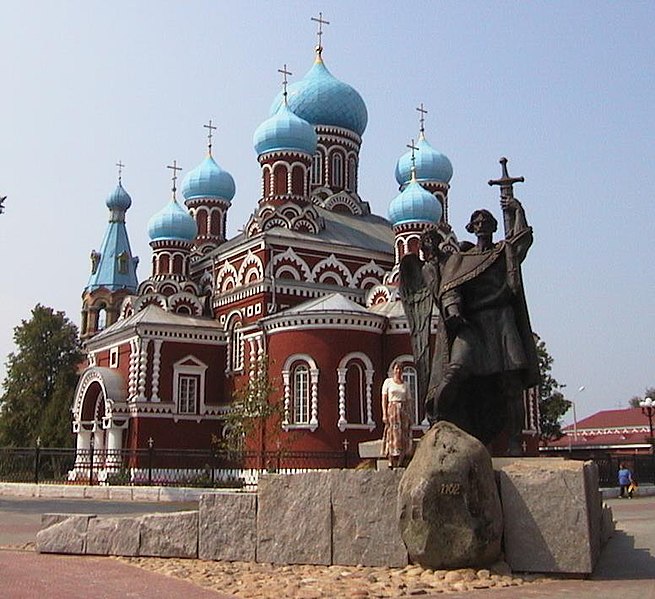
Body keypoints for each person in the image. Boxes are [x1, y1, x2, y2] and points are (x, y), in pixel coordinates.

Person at [400, 197, 539, 454]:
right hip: (471, 325)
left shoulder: (502, 251)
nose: (481, 225)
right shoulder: (461, 258)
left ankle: (514, 440)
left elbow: (521, 243)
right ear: (471, 228)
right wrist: (452, 311)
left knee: (510, 384)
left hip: (501, 322)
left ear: (493, 226)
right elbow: (449, 288)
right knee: (454, 372)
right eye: (476, 222)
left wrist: (518, 210)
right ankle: (439, 420)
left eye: (485, 222)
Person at [381, 361, 412, 468]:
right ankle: (390, 459)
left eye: (400, 369)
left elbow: (408, 401)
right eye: (396, 369)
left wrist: (409, 414)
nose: (398, 371)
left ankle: (400, 460)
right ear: (393, 370)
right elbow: (384, 399)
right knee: (392, 433)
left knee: (403, 434)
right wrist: (384, 414)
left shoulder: (405, 385)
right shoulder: (388, 382)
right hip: (392, 409)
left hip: (402, 410)